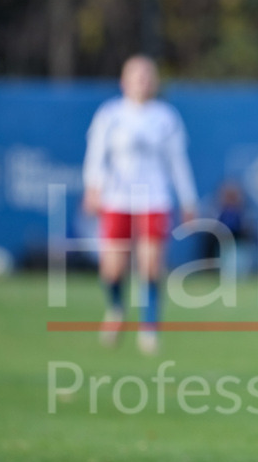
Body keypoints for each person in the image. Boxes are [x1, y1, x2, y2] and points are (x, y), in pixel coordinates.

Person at [82, 55, 198, 355]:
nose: (142, 82)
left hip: (154, 198)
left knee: (150, 265)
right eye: (136, 76)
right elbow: (96, 155)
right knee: (113, 269)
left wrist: (188, 200)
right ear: (124, 81)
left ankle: (149, 328)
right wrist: (92, 188)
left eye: (147, 76)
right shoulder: (110, 114)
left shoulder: (166, 117)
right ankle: (117, 308)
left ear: (155, 82)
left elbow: (177, 162)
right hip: (117, 198)